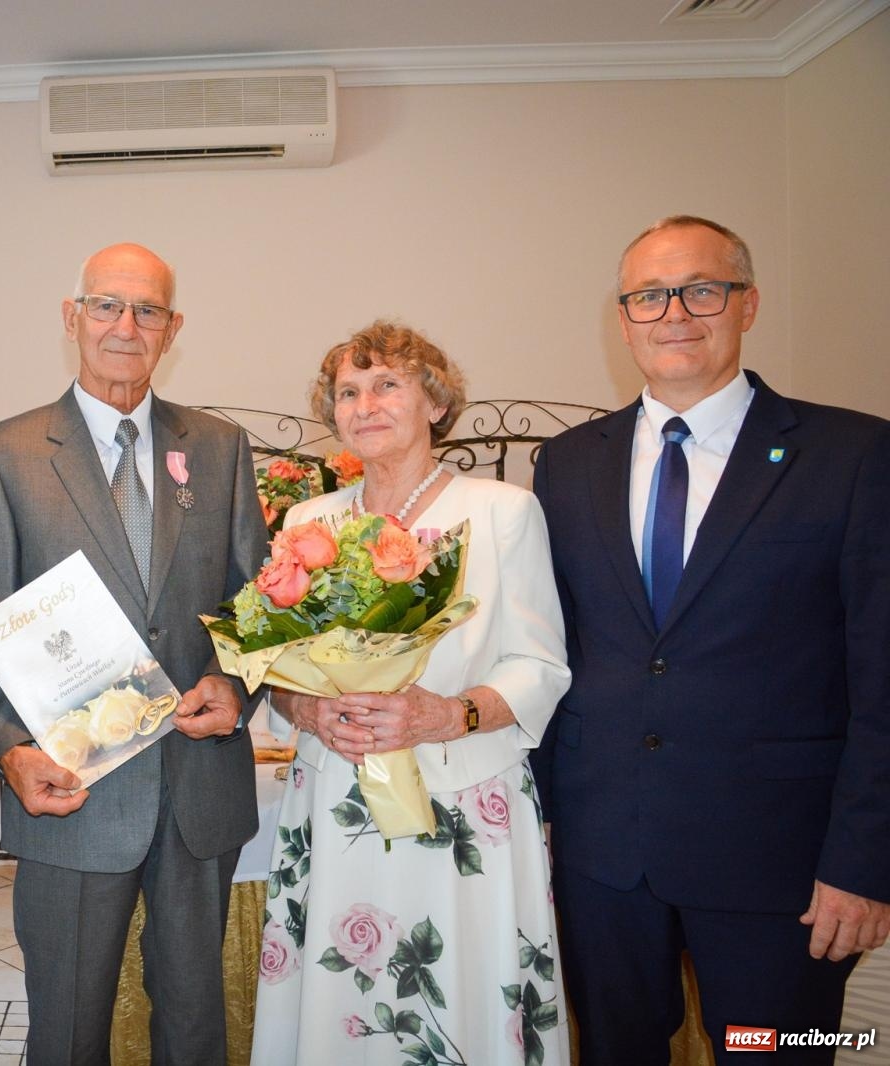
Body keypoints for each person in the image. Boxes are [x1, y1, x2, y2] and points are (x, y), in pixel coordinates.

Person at [533, 215, 890, 1063]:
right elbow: (554, 650)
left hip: (781, 864)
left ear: (747, 304)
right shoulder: (567, 463)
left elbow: (883, 678)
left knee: (773, 1052)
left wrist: (866, 863)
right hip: (603, 856)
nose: (675, 314)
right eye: (649, 296)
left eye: (702, 290)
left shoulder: (854, 455)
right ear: (624, 318)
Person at [0, 242, 269, 1064]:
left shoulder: (220, 447)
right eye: (106, 305)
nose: (125, 326)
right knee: (67, 1031)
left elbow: (256, 604)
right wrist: (12, 749)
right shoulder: (5, 455)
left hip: (197, 788)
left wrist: (237, 686)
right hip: (74, 790)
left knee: (195, 1029)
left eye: (147, 310)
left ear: (173, 328)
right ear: (72, 318)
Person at [252, 321, 572, 1065]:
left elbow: (540, 665)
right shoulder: (307, 522)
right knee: (343, 1004)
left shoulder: (501, 511)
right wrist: (308, 709)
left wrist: (448, 714)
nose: (365, 405)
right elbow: (275, 668)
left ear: (435, 402)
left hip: (463, 799)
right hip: (335, 796)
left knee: (458, 990)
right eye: (348, 392)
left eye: (387, 385)